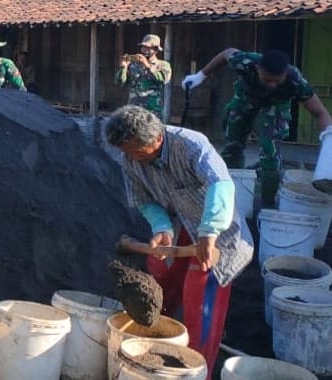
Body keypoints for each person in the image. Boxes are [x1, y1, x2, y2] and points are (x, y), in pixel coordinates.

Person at [105, 105, 254, 379]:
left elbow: (220, 185)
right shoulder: (130, 158)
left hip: (217, 228)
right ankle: (159, 339)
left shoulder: (191, 144)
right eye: (127, 152)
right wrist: (162, 228)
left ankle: (197, 368)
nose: (132, 159)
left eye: (137, 151)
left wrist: (209, 233)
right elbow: (144, 200)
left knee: (200, 293)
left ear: (157, 139)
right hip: (180, 224)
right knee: (160, 273)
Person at [182, 49, 332, 207]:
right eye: (268, 80)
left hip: (275, 107)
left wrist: (329, 136)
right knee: (232, 147)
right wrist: (201, 75)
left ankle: (267, 203)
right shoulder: (246, 62)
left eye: (277, 81)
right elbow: (226, 54)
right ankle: (226, 196)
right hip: (245, 100)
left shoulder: (295, 80)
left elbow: (319, 112)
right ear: (259, 69)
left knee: (270, 152)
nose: (272, 85)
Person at [115, 34, 172, 119]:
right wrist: (124, 67)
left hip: (152, 111)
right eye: (143, 47)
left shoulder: (163, 65)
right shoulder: (133, 65)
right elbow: (120, 82)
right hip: (133, 110)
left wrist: (147, 65)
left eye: (148, 48)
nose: (144, 50)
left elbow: (163, 79)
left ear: (156, 50)